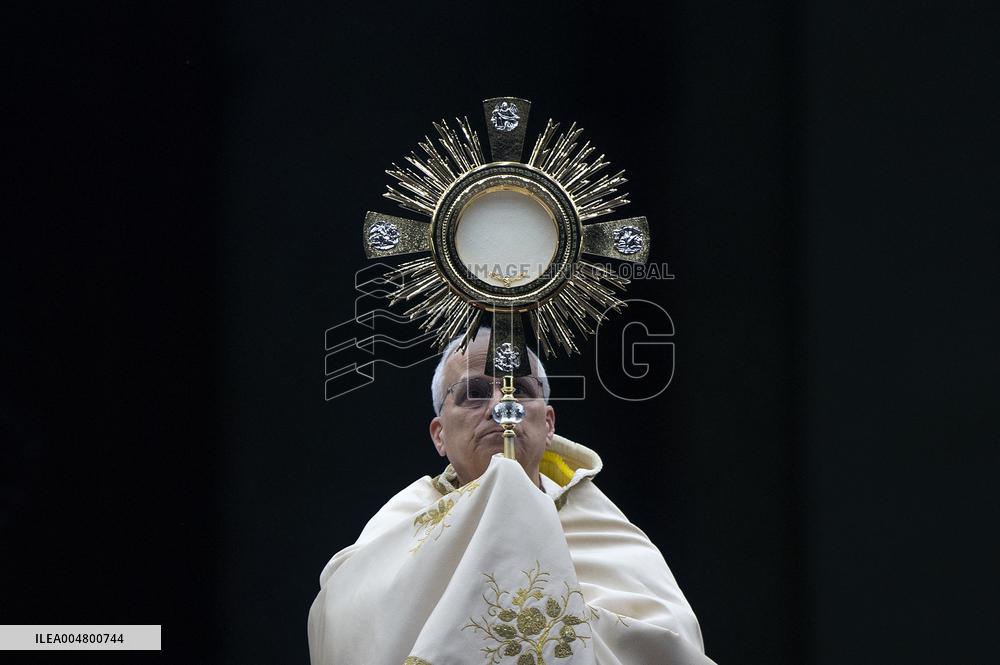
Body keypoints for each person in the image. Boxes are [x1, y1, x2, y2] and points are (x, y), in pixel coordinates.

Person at [307, 328, 716, 664]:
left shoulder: (603, 528)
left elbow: (671, 643)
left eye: (520, 388)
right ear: (439, 435)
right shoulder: (406, 521)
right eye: (473, 394)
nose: (502, 406)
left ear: (549, 422)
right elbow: (346, 626)